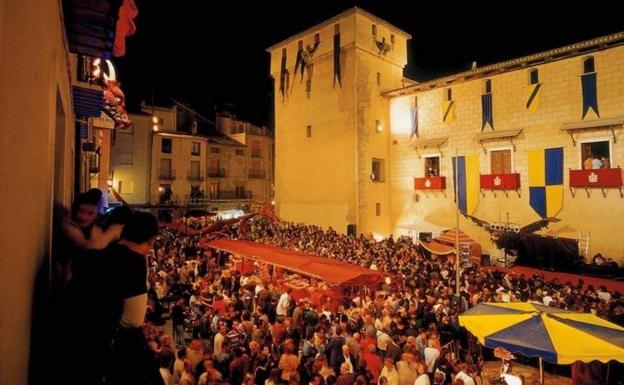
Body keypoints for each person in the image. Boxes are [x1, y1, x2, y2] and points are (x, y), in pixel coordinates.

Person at [105, 211, 161, 385]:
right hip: (116, 347)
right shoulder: (134, 261)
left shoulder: (107, 251)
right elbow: (133, 320)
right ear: (151, 240)